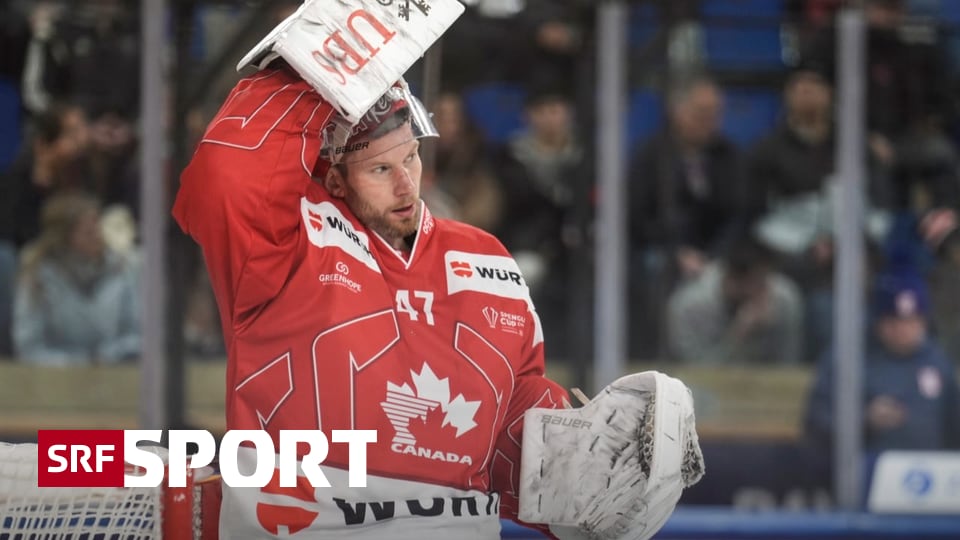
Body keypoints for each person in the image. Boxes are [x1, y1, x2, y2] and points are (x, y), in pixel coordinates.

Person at [173, 7, 702, 539]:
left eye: (411, 158)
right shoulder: (289, 238)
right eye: (381, 169)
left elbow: (507, 423)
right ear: (333, 179)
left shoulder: (485, 259)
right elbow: (226, 179)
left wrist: (581, 464)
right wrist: (319, 67)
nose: (407, 185)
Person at [805, 268, 960, 452]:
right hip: (864, 466)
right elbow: (816, 422)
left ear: (924, 321)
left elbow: (954, 426)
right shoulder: (848, 358)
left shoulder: (938, 361)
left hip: (928, 466)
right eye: (893, 322)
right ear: (877, 321)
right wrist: (864, 419)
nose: (903, 330)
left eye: (912, 321)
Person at [13, 192, 141, 365]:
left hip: (114, 369)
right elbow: (30, 347)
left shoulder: (123, 268)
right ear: (63, 238)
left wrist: (107, 357)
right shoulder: (37, 278)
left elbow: (137, 334)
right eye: (88, 232)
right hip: (56, 376)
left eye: (99, 229)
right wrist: (79, 364)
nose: (98, 237)